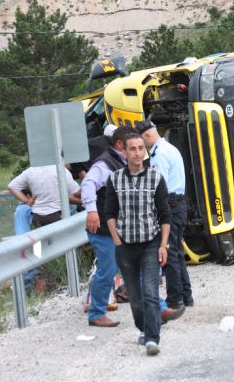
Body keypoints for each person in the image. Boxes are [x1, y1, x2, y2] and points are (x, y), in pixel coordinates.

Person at [104, 133, 172, 356]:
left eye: (140, 148)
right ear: (124, 152)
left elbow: (164, 214)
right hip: (125, 245)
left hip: (151, 243)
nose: (136, 152)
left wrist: (163, 245)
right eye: (132, 148)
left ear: (145, 151)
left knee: (151, 292)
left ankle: (153, 338)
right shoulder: (114, 179)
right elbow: (110, 212)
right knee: (134, 296)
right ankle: (144, 328)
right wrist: (116, 239)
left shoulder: (156, 178)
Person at [136, 120, 194, 310]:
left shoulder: (159, 155)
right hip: (179, 205)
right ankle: (186, 296)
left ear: (147, 136)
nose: (141, 148)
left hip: (170, 206)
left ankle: (174, 299)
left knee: (168, 253)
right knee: (176, 252)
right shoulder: (170, 147)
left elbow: (159, 187)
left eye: (141, 143)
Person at [80, 125, 134, 328]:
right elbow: (88, 185)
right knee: (108, 270)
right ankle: (96, 312)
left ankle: (157, 308)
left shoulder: (122, 163)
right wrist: (92, 211)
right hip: (103, 229)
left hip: (120, 228)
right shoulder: (105, 164)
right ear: (120, 144)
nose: (139, 149)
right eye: (133, 144)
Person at [8, 165, 81, 228]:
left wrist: (27, 201)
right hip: (58, 215)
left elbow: (12, 186)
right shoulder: (60, 170)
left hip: (37, 217)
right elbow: (77, 193)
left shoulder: (30, 171)